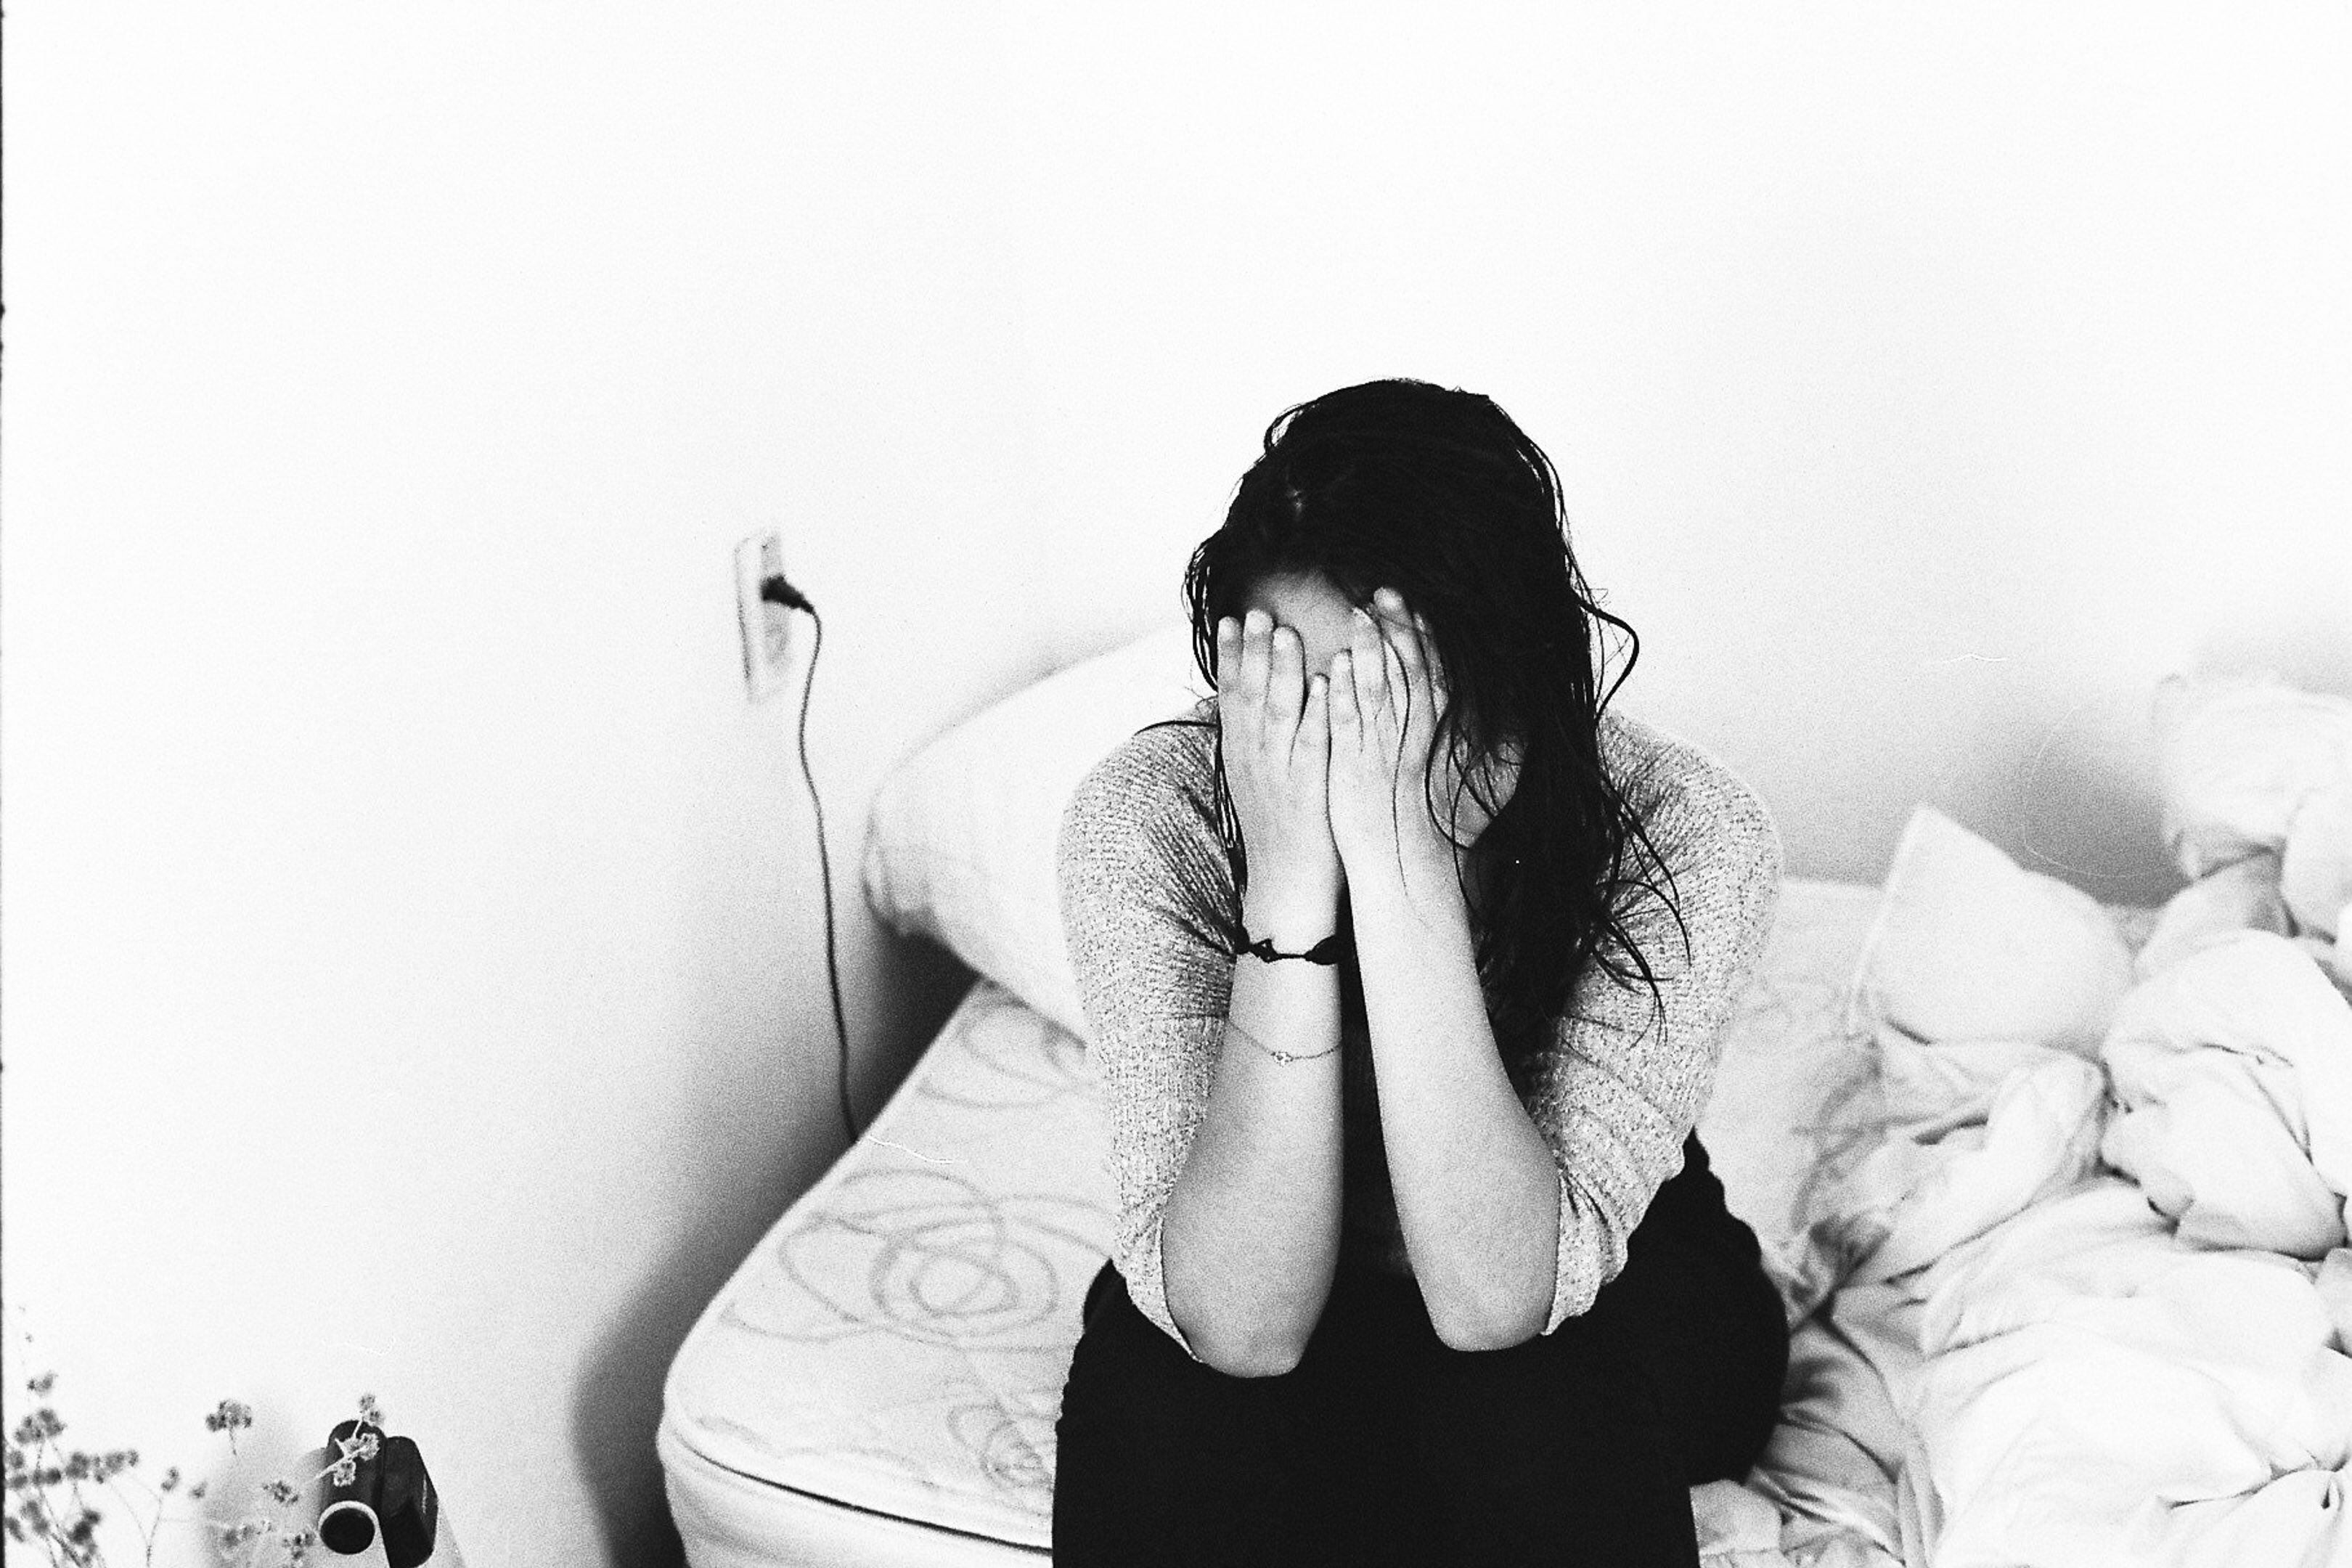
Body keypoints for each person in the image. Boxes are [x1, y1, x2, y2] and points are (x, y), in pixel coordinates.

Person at [1051, 378, 1787, 1567]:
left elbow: (1498, 1301)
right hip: (1283, 1252)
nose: (1358, 755)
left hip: (1597, 1269)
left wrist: (1402, 868)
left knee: (1526, 1400)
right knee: (1173, 1397)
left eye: (1399, 703)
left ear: (1525, 685)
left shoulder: (1686, 825)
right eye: (1311, 707)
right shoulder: (1157, 817)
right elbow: (1241, 1326)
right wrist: (1290, 881)